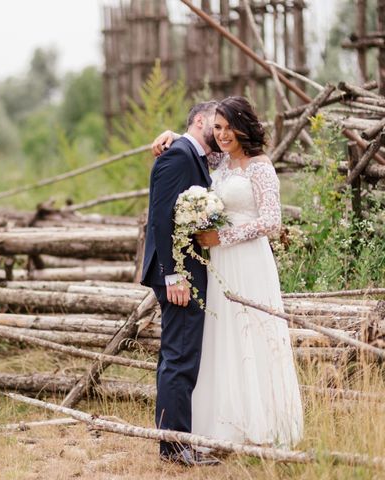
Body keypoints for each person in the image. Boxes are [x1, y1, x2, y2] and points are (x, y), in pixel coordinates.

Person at [151, 96, 303, 450]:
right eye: (217, 127)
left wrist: (224, 236)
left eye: (228, 127)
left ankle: (262, 424)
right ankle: (221, 424)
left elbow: (272, 220)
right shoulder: (219, 162)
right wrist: (172, 134)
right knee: (221, 338)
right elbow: (194, 146)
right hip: (218, 264)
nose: (221, 134)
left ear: (243, 126)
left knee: (251, 334)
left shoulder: (259, 166)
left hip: (248, 259)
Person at [141, 101, 220, 466]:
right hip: (180, 275)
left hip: (188, 271)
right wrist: (173, 274)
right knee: (179, 357)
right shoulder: (178, 156)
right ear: (200, 120)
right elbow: (160, 218)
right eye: (216, 123)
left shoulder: (193, 153)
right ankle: (174, 447)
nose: (221, 130)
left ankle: (174, 440)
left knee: (178, 355)